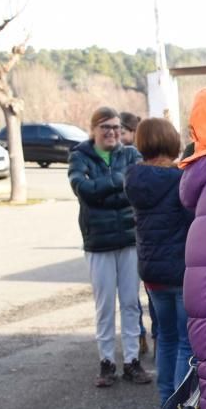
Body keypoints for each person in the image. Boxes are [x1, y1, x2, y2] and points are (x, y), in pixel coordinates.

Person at [68, 106, 152, 387]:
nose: (113, 132)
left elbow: (136, 189)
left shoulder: (131, 154)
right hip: (98, 243)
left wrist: (103, 189)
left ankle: (131, 361)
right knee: (104, 306)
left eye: (116, 127)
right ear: (94, 130)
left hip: (129, 240)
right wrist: (118, 182)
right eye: (106, 127)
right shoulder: (80, 156)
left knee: (130, 303)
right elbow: (83, 191)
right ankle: (106, 362)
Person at [125, 117, 193, 406]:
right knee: (185, 342)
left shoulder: (134, 178)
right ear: (171, 141)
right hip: (180, 272)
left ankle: (166, 401)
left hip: (152, 273)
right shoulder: (180, 179)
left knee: (164, 337)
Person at [119, 110, 154, 359]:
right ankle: (143, 335)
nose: (119, 135)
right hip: (150, 249)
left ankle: (144, 336)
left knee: (140, 298)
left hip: (143, 247)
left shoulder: (134, 166)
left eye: (123, 131)